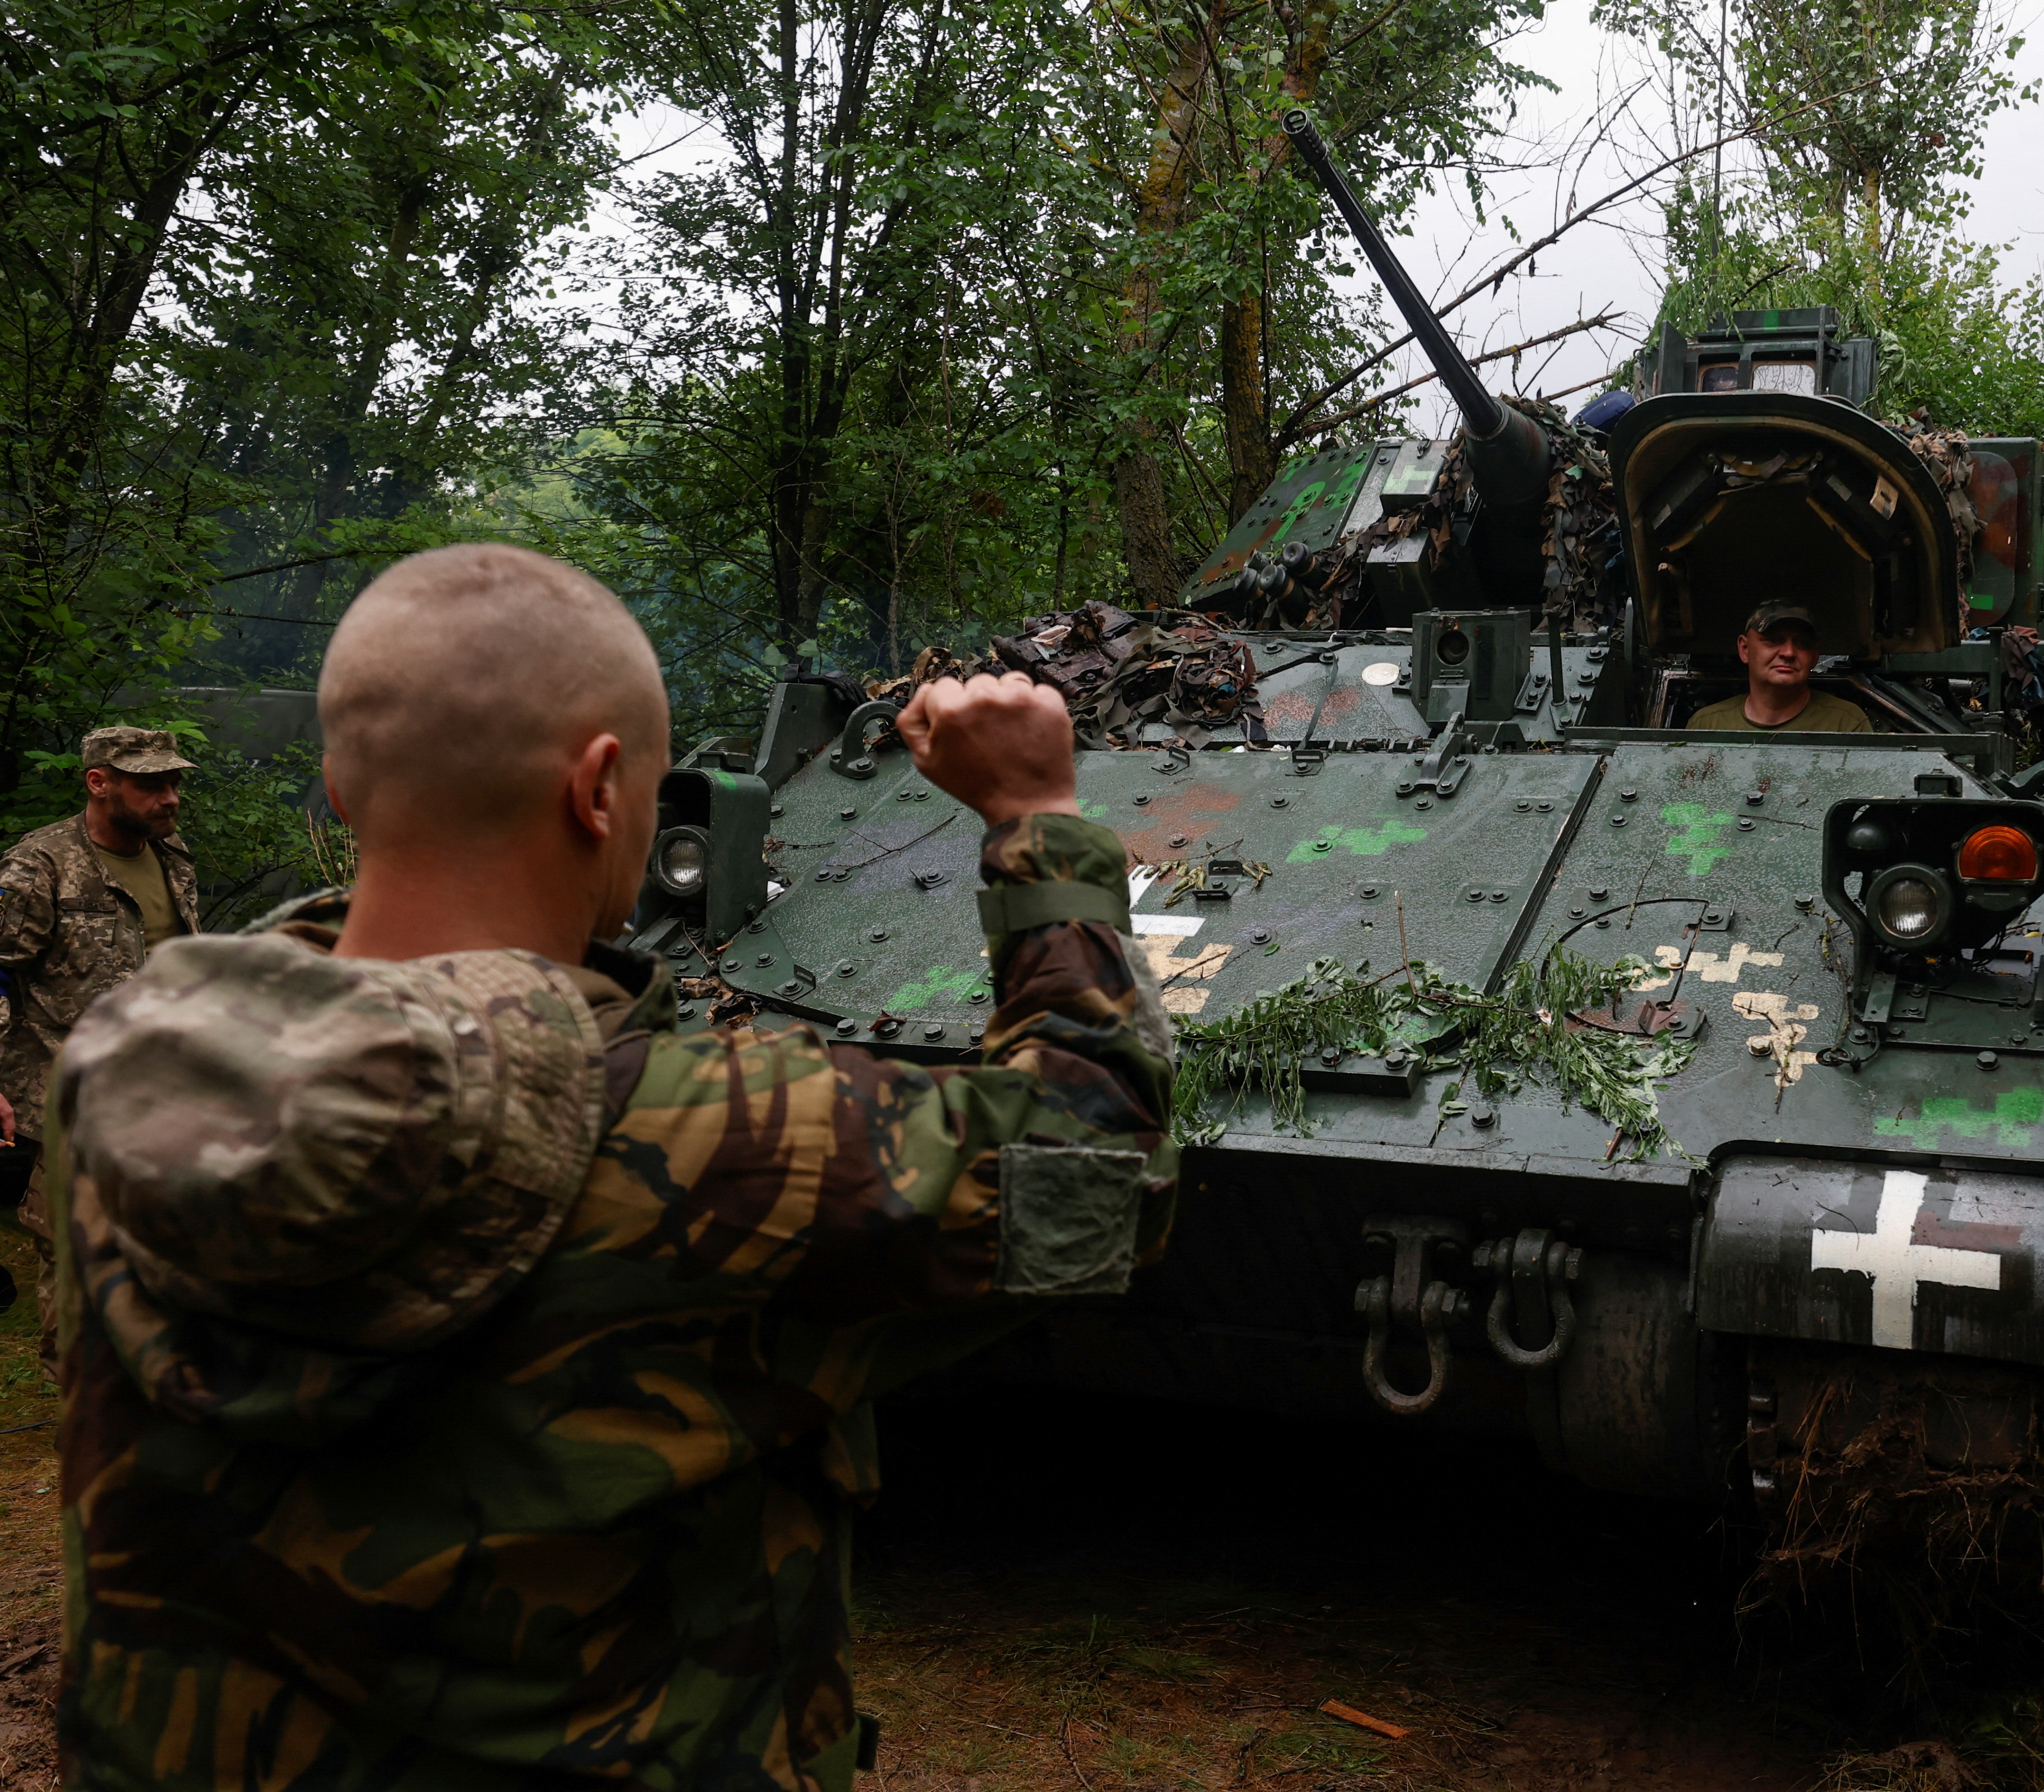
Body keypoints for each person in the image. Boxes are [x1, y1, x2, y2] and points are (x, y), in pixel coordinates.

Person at [46, 543, 1175, 1789]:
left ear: (338, 785)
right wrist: (1034, 816)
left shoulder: (127, 1076)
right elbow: (1095, 1169)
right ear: (598, 788)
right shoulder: (725, 1136)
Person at [0, 725, 198, 1368]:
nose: (170, 797)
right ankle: (82, 1410)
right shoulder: (41, 865)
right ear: (99, 782)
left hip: (163, 1096)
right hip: (74, 1098)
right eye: (151, 784)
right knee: (77, 1265)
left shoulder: (172, 855)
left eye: (174, 782)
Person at [1685, 600, 1876, 733]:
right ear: (1745, 649)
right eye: (1773, 640)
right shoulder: (1708, 725)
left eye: (1802, 643)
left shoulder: (1845, 724)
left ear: (1815, 656)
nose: (1789, 653)